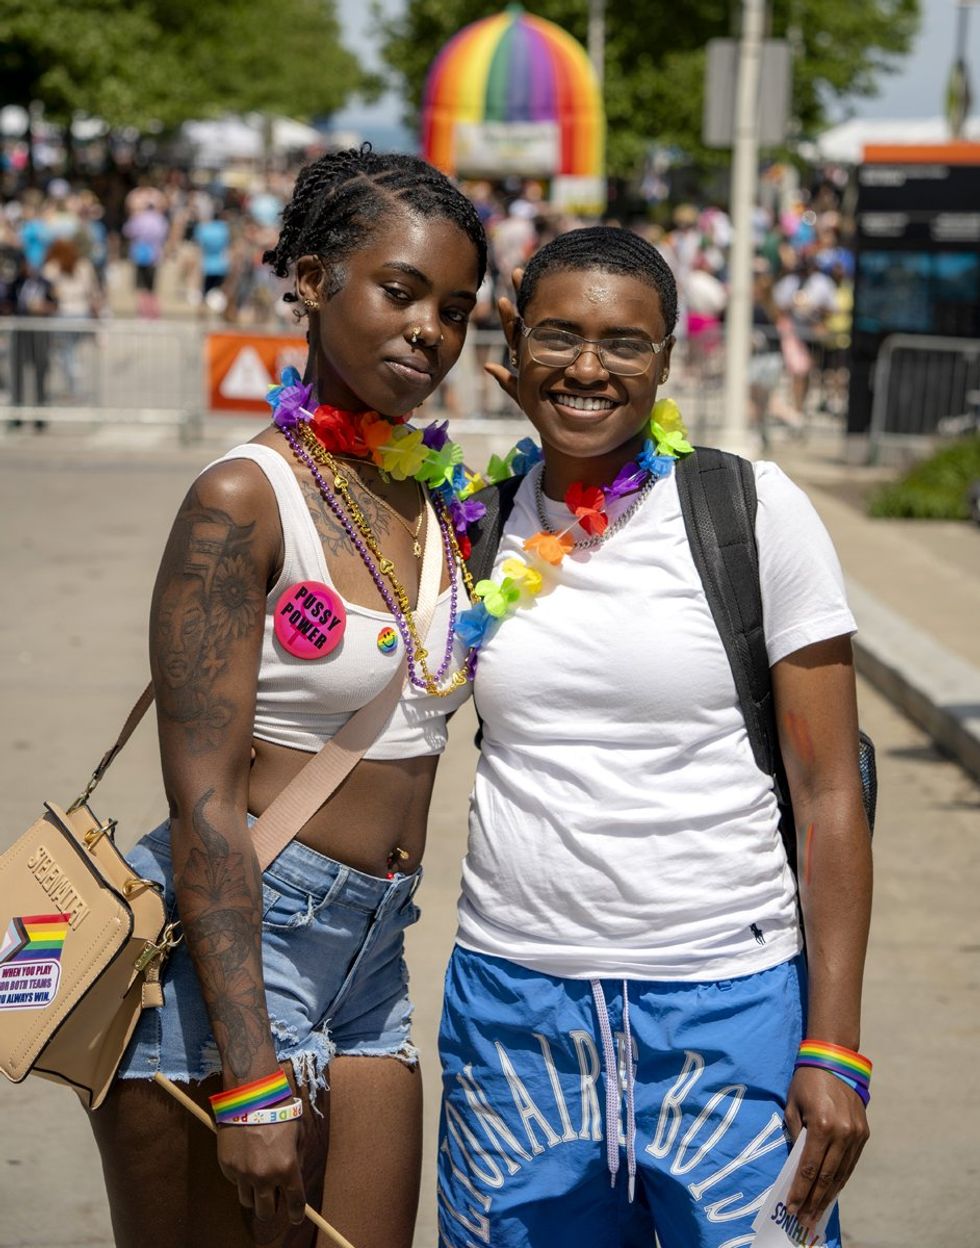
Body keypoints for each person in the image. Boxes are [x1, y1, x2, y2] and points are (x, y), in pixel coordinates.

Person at [438, 227, 872, 1248]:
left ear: (668, 357)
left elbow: (828, 795)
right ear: (511, 339)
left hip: (728, 1008)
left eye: (621, 344)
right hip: (513, 1011)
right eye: (558, 335)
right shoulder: (472, 521)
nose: (588, 366)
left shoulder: (748, 511)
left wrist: (835, 1046)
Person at [87, 147, 488, 1248]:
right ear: (311, 281)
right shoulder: (240, 500)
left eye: (454, 310)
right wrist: (252, 1077)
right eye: (398, 292)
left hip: (375, 951)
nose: (428, 331)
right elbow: (208, 800)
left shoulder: (434, 495)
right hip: (232, 959)